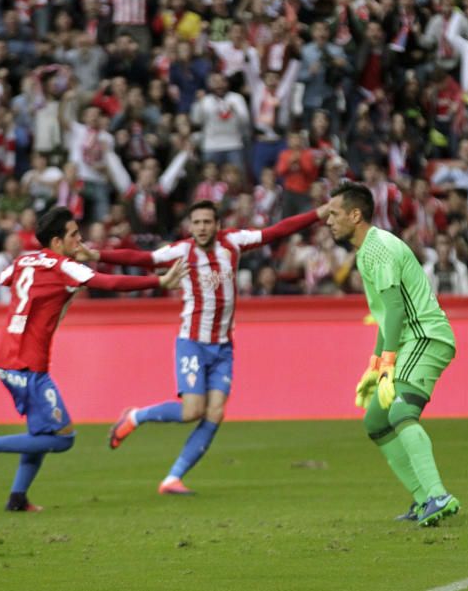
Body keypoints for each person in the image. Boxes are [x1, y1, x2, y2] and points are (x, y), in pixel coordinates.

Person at [77, 200, 329, 494]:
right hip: (193, 343)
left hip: (223, 347)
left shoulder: (233, 243)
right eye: (196, 223)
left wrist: (318, 213)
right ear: (190, 226)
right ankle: (135, 416)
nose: (201, 228)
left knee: (216, 412)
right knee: (191, 411)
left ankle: (173, 478)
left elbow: (275, 231)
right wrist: (96, 253)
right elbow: (143, 258)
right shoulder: (183, 251)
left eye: (207, 222)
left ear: (218, 225)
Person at [0, 207, 186, 511]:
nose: (80, 241)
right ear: (57, 241)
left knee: (39, 431)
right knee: (62, 438)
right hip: (26, 363)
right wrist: (158, 283)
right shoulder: (62, 266)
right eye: (73, 235)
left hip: (6, 355)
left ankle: (17, 498)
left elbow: (5, 279)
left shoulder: (22, 260)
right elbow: (109, 283)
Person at [324, 182, 460, 526]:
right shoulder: (367, 250)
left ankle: (438, 495)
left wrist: (388, 362)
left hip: (425, 336)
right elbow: (386, 315)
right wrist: (374, 365)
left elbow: (398, 310)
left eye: (334, 214)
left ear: (355, 215)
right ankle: (422, 499)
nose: (328, 221)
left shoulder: (379, 248)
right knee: (376, 421)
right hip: (410, 339)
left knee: (401, 413)